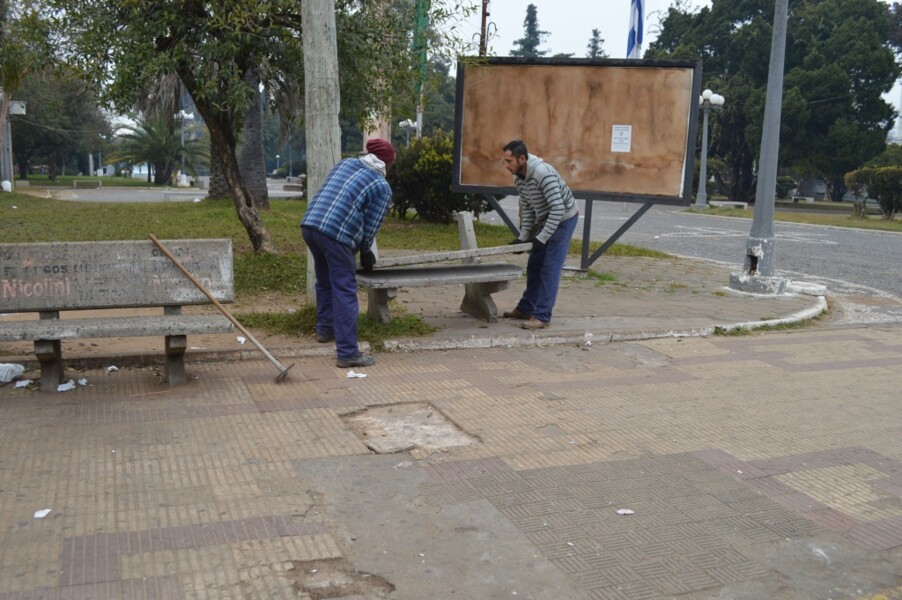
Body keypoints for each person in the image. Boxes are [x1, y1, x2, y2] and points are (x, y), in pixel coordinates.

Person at [300, 138, 396, 367]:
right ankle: (347, 352)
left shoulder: (345, 164)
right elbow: (371, 225)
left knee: (324, 282)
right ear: (387, 163)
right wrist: (365, 251)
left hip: (311, 226)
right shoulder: (381, 186)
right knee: (345, 289)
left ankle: (325, 330)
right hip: (336, 234)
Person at [501, 140, 579, 330]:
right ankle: (526, 308)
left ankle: (543, 316)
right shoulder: (519, 177)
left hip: (564, 219)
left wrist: (541, 238)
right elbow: (527, 207)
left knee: (549, 268)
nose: (506, 165)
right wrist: (524, 236)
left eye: (509, 161)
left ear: (522, 158)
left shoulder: (543, 174)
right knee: (534, 265)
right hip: (545, 218)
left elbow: (558, 208)